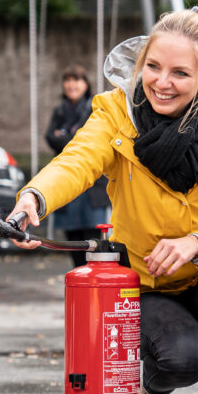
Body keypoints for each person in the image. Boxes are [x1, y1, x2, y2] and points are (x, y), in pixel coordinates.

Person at [10, 7, 198, 394]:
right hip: (148, 282)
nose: (161, 82)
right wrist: (35, 198)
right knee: (184, 359)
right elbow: (77, 161)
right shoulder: (116, 112)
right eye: (153, 66)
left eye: (179, 73)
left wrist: (197, 243)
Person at [44, 63, 110, 265]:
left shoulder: (95, 108)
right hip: (68, 186)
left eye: (77, 79)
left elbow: (88, 142)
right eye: (68, 80)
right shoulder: (59, 111)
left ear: (85, 84)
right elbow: (49, 137)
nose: (71, 84)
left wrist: (65, 137)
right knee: (73, 242)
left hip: (92, 191)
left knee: (95, 243)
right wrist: (72, 137)